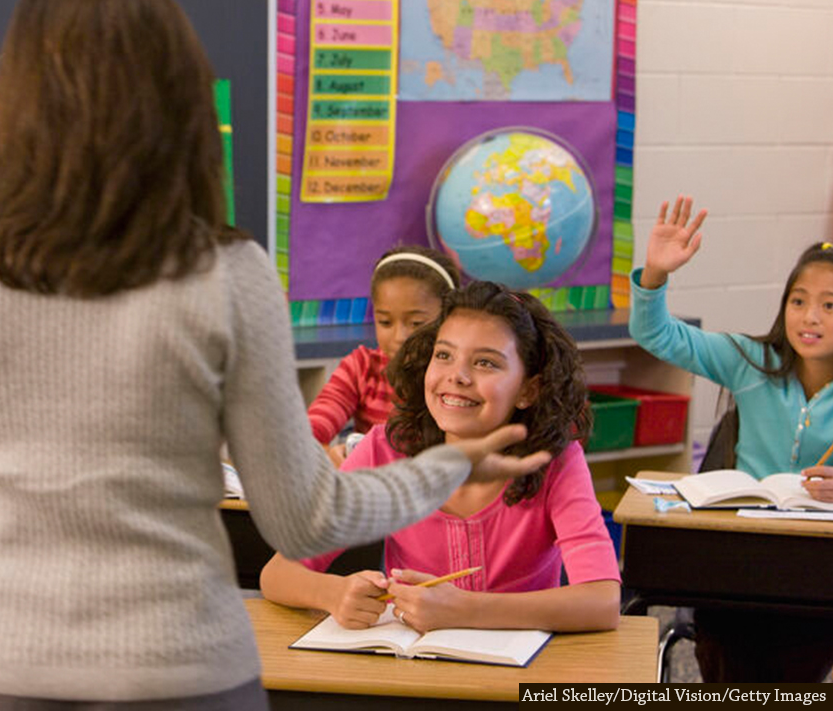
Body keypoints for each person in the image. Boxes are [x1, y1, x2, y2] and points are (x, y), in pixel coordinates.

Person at [0, 0, 554, 709]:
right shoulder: (227, 273)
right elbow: (306, 516)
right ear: (179, 100)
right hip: (182, 668)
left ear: (16, 99)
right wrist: (445, 467)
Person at [261, 281, 622, 634]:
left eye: (485, 363)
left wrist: (465, 610)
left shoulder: (555, 462)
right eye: (444, 355)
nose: (457, 376)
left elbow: (602, 602)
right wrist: (333, 593)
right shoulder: (385, 450)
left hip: (522, 676)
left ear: (528, 390)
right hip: (415, 670)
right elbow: (277, 573)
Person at [630, 195, 833, 681]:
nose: (810, 317)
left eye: (830, 305)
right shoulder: (750, 361)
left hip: (816, 574)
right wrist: (655, 275)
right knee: (729, 651)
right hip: (738, 563)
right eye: (798, 301)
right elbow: (655, 334)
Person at [308, 246, 460, 466]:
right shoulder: (361, 367)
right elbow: (309, 432)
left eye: (416, 323)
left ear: (449, 317)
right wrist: (328, 456)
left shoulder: (456, 378)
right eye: (385, 322)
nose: (400, 337)